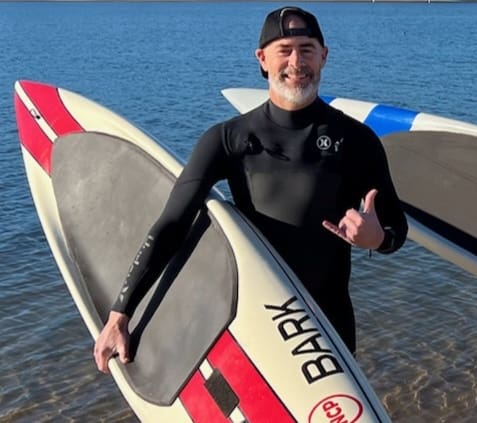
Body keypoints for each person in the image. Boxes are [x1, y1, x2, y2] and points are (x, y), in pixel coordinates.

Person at [94, 6, 408, 373]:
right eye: (284, 50)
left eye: (307, 49)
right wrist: (120, 313)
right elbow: (173, 224)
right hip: (253, 321)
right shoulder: (227, 139)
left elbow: (396, 231)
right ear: (262, 59)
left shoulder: (358, 141)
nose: (296, 61)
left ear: (324, 56)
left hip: (329, 324)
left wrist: (376, 240)